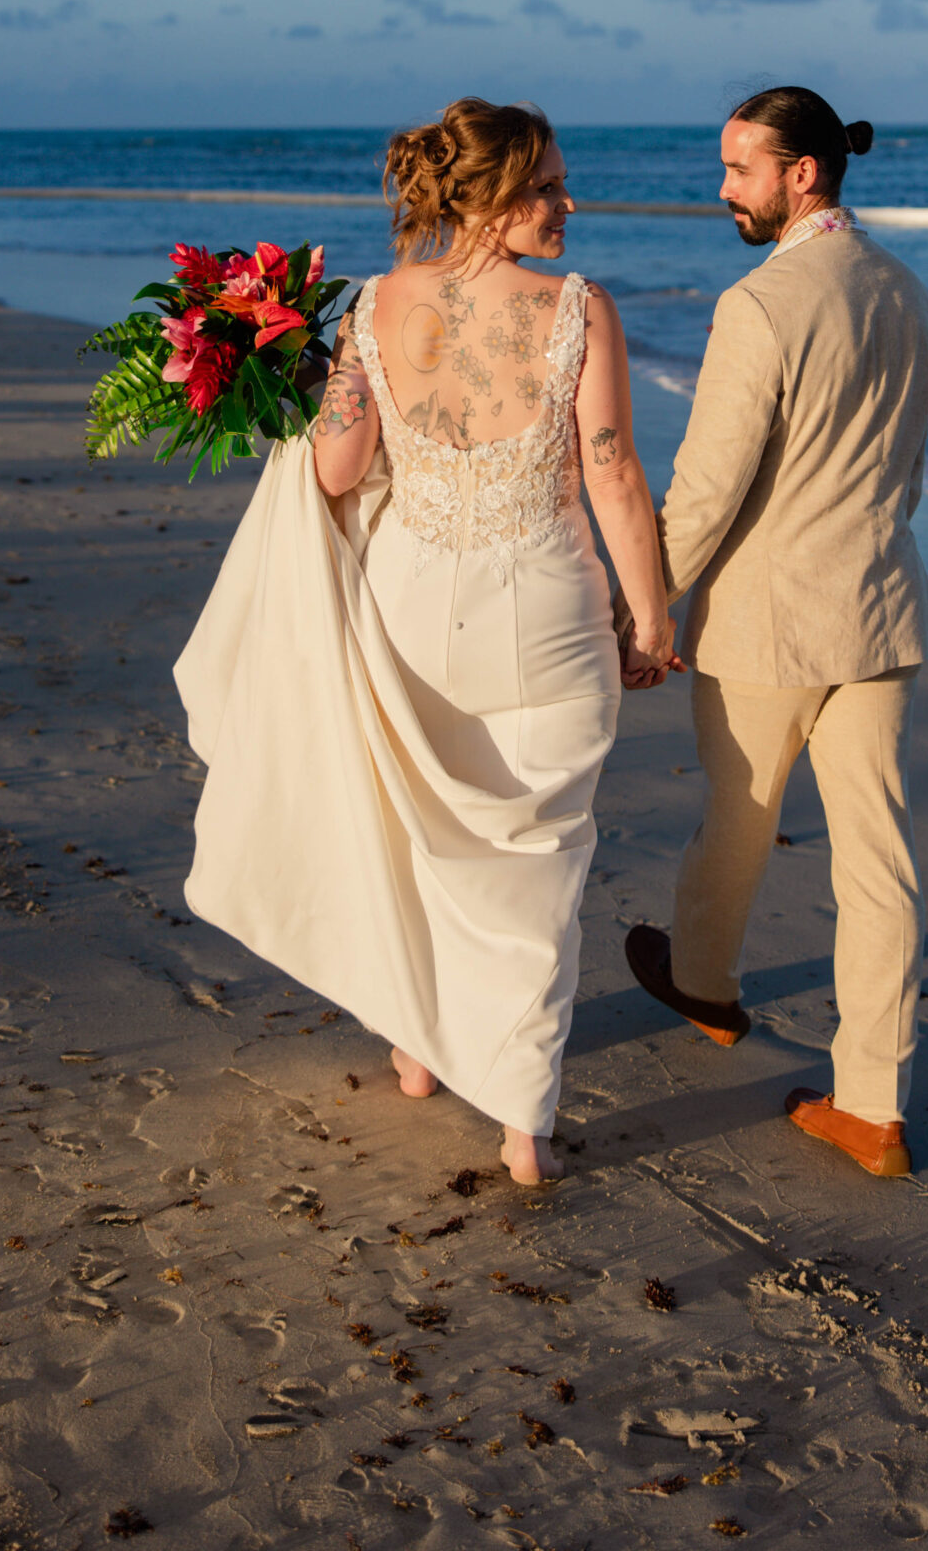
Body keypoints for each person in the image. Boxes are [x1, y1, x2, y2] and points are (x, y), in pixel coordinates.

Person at [176, 100, 673, 1187]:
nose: (567, 202)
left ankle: (416, 1048)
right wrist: (652, 616)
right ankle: (522, 1130)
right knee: (539, 861)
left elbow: (340, 469)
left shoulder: (371, 307)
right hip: (542, 612)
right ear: (491, 195)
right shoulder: (581, 309)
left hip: (407, 605)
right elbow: (613, 470)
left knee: (418, 833)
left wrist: (280, 399)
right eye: (547, 185)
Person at [621, 87, 928, 1178]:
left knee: (742, 814)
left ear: (801, 172)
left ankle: (706, 985)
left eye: (740, 169)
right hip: (882, 603)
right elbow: (908, 474)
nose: (724, 189)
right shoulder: (910, 292)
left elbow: (708, 485)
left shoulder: (761, 304)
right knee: (879, 859)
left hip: (769, 616)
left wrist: (650, 600)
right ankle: (875, 1104)